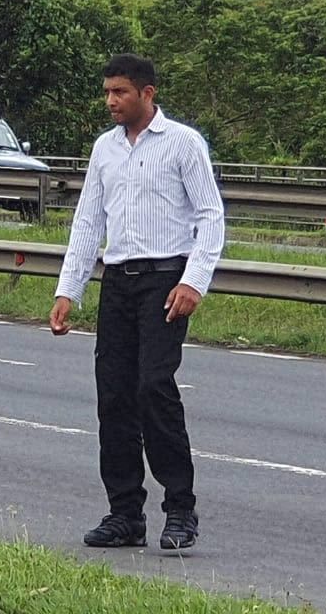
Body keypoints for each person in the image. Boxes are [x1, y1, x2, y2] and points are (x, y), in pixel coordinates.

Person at [50, 53, 225, 551]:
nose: (110, 101)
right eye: (107, 92)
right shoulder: (104, 149)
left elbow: (211, 217)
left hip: (165, 278)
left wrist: (194, 281)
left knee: (153, 388)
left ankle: (180, 509)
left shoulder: (183, 143)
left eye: (120, 92)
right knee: (114, 396)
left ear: (147, 93)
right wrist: (70, 289)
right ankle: (125, 512)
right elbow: (88, 222)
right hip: (118, 282)